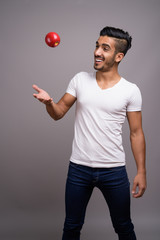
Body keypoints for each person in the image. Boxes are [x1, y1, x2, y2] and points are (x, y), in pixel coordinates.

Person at [33, 26, 146, 240]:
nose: (97, 52)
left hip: (113, 170)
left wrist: (142, 171)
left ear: (119, 56)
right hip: (79, 169)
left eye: (105, 48)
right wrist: (49, 102)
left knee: (123, 226)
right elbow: (58, 113)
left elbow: (136, 133)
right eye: (96, 46)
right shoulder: (80, 80)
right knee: (71, 227)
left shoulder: (131, 90)